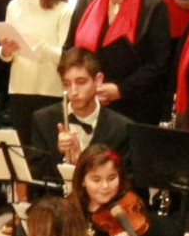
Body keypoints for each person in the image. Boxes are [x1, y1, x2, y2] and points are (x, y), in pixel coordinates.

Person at [70, 0, 174, 123]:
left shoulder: (153, 6)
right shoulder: (86, 0)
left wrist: (121, 90)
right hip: (87, 102)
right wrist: (81, 85)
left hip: (135, 106)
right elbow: (69, 50)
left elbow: (158, 63)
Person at [29, 48, 136, 185]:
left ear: (98, 80)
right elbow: (36, 178)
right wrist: (60, 154)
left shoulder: (121, 127)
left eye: (81, 82)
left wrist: (83, 162)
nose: (73, 92)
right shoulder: (43, 119)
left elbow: (126, 182)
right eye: (67, 84)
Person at [0, 0, 73, 142]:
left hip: (50, 90)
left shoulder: (63, 10)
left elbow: (65, 56)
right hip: (20, 88)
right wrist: (5, 51)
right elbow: (8, 54)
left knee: (46, 148)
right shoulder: (15, 6)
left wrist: (37, 45)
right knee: (24, 146)